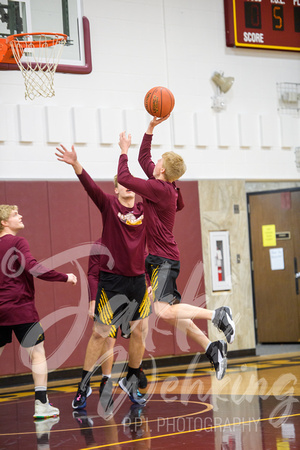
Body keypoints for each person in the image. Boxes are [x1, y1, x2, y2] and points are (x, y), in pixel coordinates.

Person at [117, 116, 236, 381]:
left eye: (159, 160)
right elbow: (144, 159)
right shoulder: (162, 184)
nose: (154, 161)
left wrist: (123, 149)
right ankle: (211, 348)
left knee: (163, 311)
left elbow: (125, 176)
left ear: (162, 170)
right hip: (159, 259)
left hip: (163, 260)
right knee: (173, 315)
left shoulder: (158, 189)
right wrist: (149, 129)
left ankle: (218, 314)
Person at [55, 145, 151, 406]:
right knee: (101, 334)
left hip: (137, 281)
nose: (128, 187)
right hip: (112, 282)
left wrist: (150, 281)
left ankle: (131, 379)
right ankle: (83, 386)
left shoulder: (145, 211)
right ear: (116, 189)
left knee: (140, 331)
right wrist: (77, 165)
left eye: (132, 184)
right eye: (123, 183)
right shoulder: (109, 204)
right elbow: (90, 187)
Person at [0, 204, 77, 419]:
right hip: (21, 309)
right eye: (15, 214)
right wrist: (65, 277)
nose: (21, 215)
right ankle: (41, 404)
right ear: (4, 222)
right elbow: (33, 267)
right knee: (37, 352)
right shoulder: (17, 241)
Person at [85, 238, 148, 409]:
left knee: (140, 330)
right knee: (107, 338)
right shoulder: (100, 245)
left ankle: (135, 371)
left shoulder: (136, 242)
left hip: (133, 294)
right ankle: (107, 381)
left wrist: (148, 285)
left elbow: (145, 265)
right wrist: (92, 301)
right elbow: (92, 274)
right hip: (112, 294)